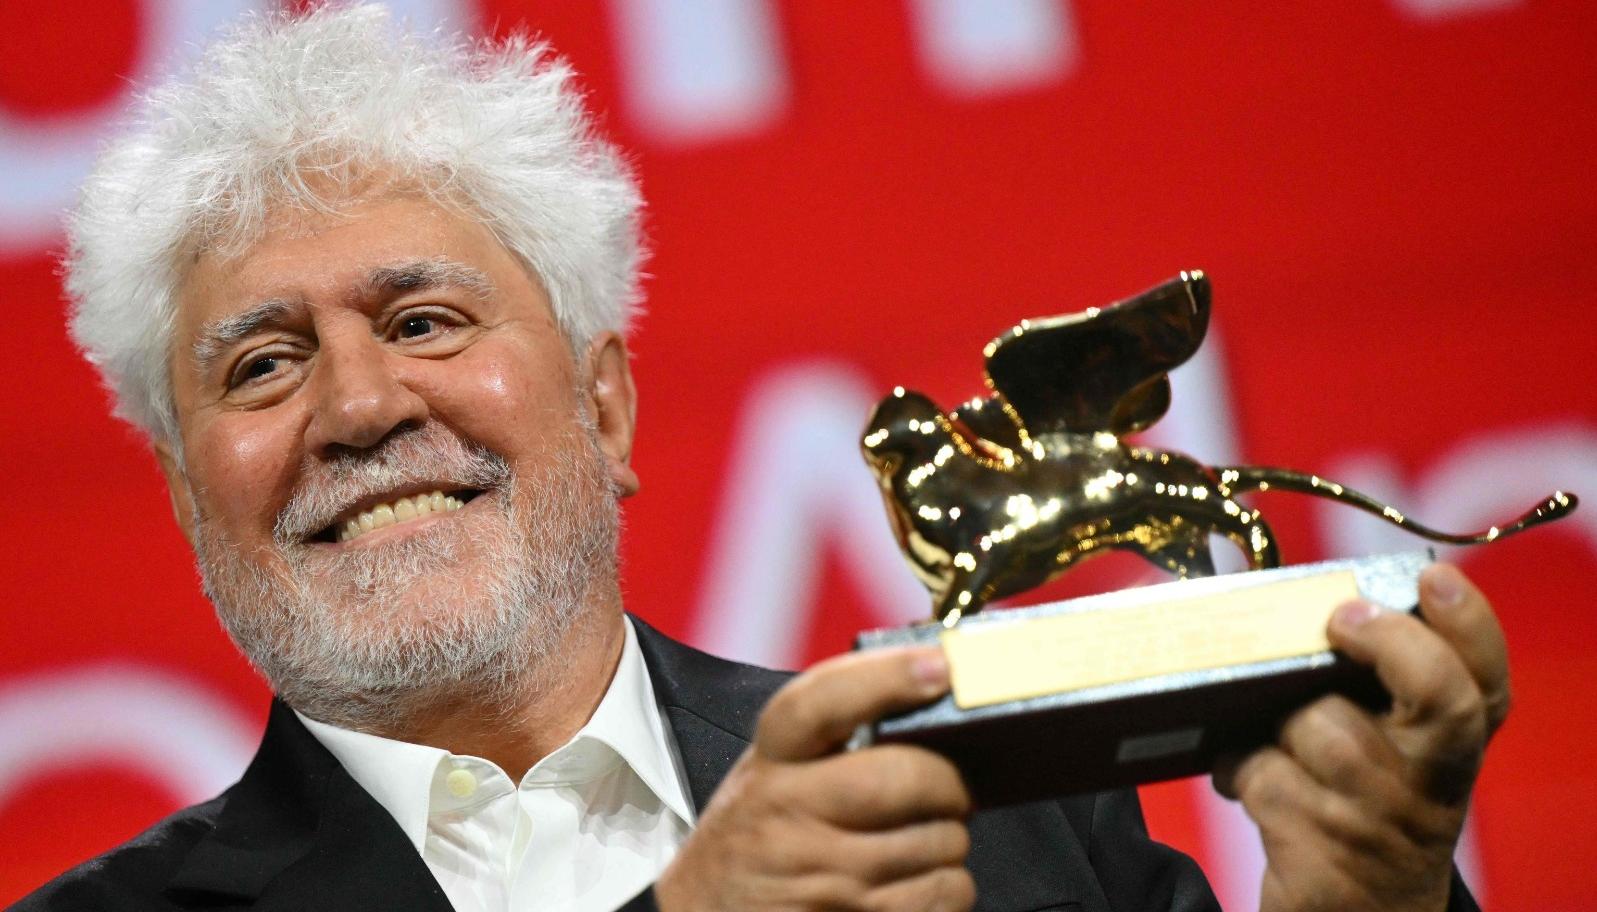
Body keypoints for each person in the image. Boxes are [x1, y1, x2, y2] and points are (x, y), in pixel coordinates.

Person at [20, 6, 1505, 911]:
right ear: (184, 493)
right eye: (262, 363)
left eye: (421, 315)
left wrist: (1364, 907)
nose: (355, 407)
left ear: (604, 408)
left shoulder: (1009, 799)